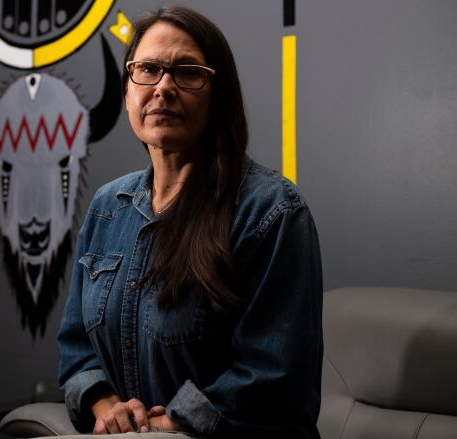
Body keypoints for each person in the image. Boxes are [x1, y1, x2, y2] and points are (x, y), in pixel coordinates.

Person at [56, 5, 323, 438]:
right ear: (127, 91)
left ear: (219, 94)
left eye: (187, 72)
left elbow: (274, 376)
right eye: (147, 69)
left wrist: (170, 422)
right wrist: (106, 407)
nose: (163, 87)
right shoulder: (108, 206)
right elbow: (76, 348)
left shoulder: (272, 211)